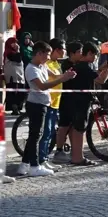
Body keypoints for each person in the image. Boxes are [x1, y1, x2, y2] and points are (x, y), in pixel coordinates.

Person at [16, 41, 76, 177]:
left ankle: (24, 165)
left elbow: (54, 76)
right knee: (36, 136)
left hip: (43, 104)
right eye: (46, 54)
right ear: (39, 53)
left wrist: (66, 75)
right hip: (35, 105)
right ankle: (35, 166)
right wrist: (63, 79)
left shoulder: (41, 66)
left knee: (35, 135)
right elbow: (42, 86)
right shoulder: (31, 68)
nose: (48, 57)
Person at [59, 42, 108, 166]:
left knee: (75, 128)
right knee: (79, 129)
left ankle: (75, 155)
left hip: (72, 100)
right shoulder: (84, 66)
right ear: (89, 53)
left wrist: (101, 69)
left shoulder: (79, 65)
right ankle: (78, 157)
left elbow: (94, 75)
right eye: (95, 55)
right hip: (80, 101)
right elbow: (101, 80)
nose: (96, 58)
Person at [52, 42, 83, 163]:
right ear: (72, 53)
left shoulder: (78, 64)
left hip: (74, 99)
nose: (81, 54)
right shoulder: (66, 65)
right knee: (64, 126)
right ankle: (58, 151)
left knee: (71, 126)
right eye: (79, 52)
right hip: (65, 99)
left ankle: (72, 150)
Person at [38, 38, 66, 169]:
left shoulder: (56, 63)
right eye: (63, 49)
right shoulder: (47, 64)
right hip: (48, 101)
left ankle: (45, 158)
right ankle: (41, 159)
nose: (64, 51)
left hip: (56, 102)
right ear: (56, 50)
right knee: (46, 133)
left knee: (50, 133)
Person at [3, 37, 25, 115]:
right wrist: (18, 50)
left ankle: (18, 108)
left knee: (21, 92)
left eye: (16, 42)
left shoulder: (15, 52)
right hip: (12, 77)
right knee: (13, 93)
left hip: (19, 76)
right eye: (13, 43)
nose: (15, 44)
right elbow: (18, 59)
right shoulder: (9, 53)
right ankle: (14, 108)